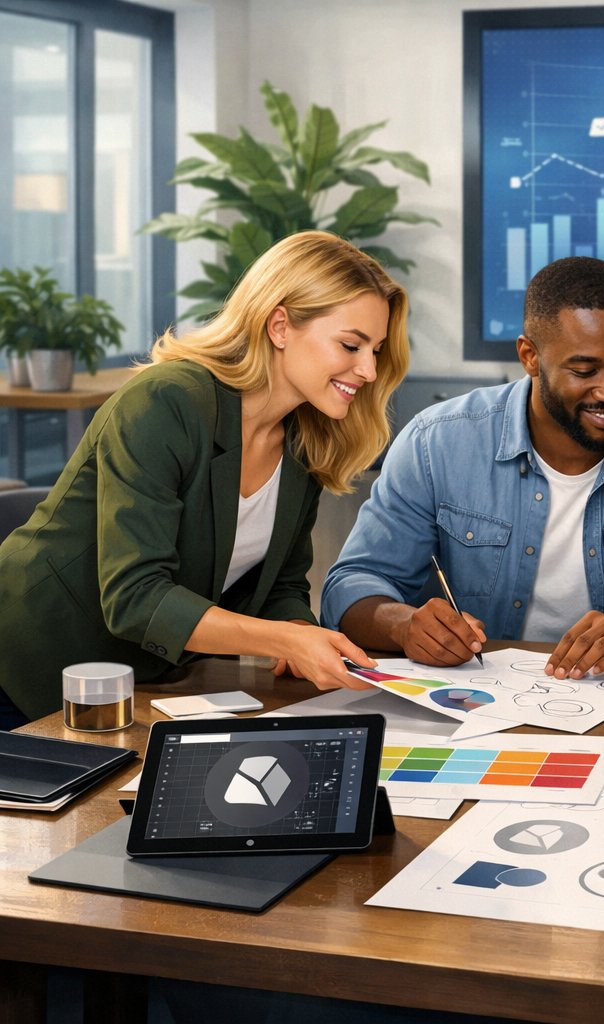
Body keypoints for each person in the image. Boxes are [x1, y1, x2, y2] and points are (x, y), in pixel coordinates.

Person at [0, 231, 408, 726]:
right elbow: (135, 596)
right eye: (351, 345)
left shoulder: (308, 439)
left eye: (377, 351)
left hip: (142, 687)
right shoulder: (165, 402)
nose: (367, 369)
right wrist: (283, 639)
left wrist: (301, 632)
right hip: (24, 670)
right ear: (280, 325)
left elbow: (280, 584)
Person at [322, 256, 604, 678]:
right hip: (475, 699)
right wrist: (403, 625)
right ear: (530, 357)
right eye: (585, 371)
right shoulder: (436, 441)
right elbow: (351, 586)